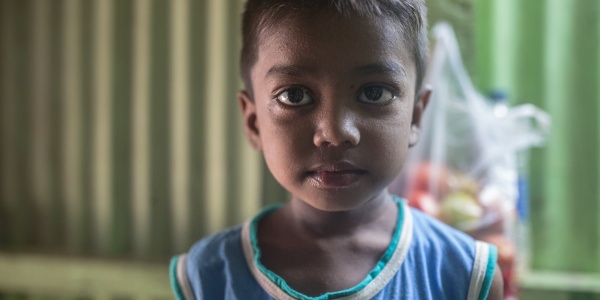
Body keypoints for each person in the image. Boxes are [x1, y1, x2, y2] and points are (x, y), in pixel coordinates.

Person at [170, 0, 503, 299]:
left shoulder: (463, 276)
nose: (335, 132)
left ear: (416, 116)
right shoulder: (208, 276)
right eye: (294, 96)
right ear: (254, 122)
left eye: (374, 93)